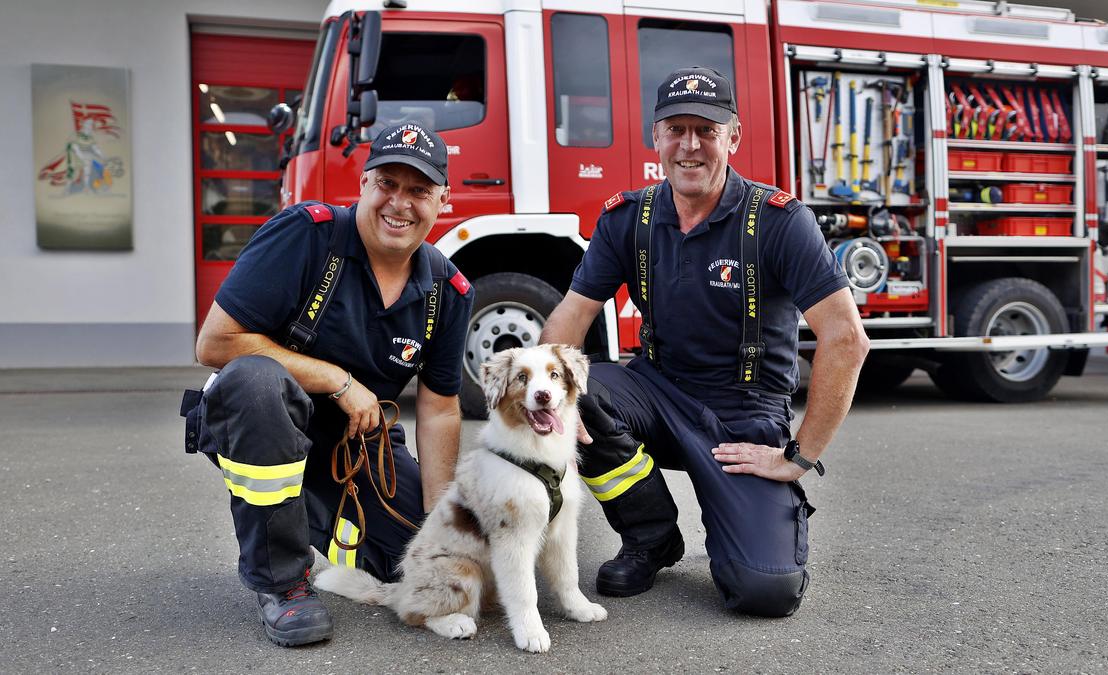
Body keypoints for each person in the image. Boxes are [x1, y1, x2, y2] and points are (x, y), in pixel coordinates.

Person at [539, 67, 869, 617]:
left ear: (733, 138)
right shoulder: (628, 218)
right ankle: (652, 537)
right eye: (676, 128)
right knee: (575, 389)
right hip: (657, 391)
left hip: (744, 413)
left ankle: (744, 540)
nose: (690, 145)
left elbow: (846, 341)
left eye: (707, 130)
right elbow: (570, 318)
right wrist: (555, 402)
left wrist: (798, 457)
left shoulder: (780, 222)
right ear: (656, 137)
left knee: (764, 591)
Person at [185, 121, 475, 646]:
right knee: (256, 381)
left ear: (443, 200)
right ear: (363, 183)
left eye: (419, 191)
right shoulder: (307, 235)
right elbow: (215, 344)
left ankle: (312, 524)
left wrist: (440, 522)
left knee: (418, 564)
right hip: (261, 418)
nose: (400, 203)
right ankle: (282, 584)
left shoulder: (449, 292)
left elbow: (439, 409)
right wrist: (337, 380)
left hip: (356, 444)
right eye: (388, 183)